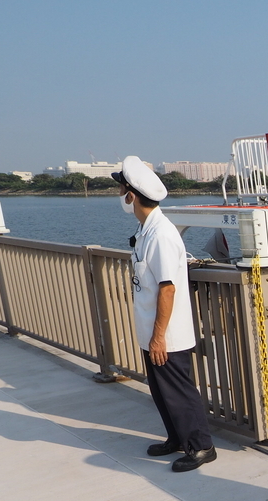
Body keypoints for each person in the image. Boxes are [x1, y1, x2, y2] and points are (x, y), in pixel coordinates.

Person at [112, 156, 217, 473]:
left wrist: (158, 337)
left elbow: (168, 289)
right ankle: (177, 438)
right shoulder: (145, 230)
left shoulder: (161, 235)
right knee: (162, 392)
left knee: (179, 391)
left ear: (132, 195)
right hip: (151, 330)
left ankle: (201, 447)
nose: (119, 194)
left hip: (166, 334)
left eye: (121, 188)